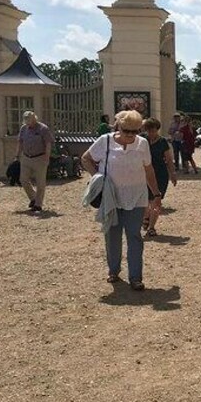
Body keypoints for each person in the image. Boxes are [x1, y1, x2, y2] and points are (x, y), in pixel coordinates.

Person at [81, 110, 161, 291]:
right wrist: (98, 178)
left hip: (136, 197)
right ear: (118, 127)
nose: (131, 135)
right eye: (127, 131)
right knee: (112, 235)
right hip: (111, 197)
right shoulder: (105, 141)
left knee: (134, 236)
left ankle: (135, 277)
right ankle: (114, 271)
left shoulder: (143, 144)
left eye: (135, 131)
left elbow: (149, 170)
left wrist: (156, 194)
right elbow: (86, 159)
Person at [141, 118, 177, 237]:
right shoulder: (142, 140)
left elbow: (169, 160)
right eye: (148, 130)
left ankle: (151, 227)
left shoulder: (162, 142)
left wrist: (173, 174)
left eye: (153, 130)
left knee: (156, 200)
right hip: (144, 174)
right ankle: (146, 217)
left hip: (160, 174)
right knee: (145, 200)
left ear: (157, 129)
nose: (151, 132)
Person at [16, 111, 54, 213]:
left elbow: (48, 143)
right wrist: (17, 155)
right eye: (26, 121)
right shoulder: (23, 128)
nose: (28, 123)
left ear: (34, 119)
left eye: (29, 121)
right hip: (26, 157)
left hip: (40, 158)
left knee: (40, 182)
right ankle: (33, 197)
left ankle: (38, 204)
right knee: (23, 179)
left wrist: (47, 157)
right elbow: (20, 142)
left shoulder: (43, 128)